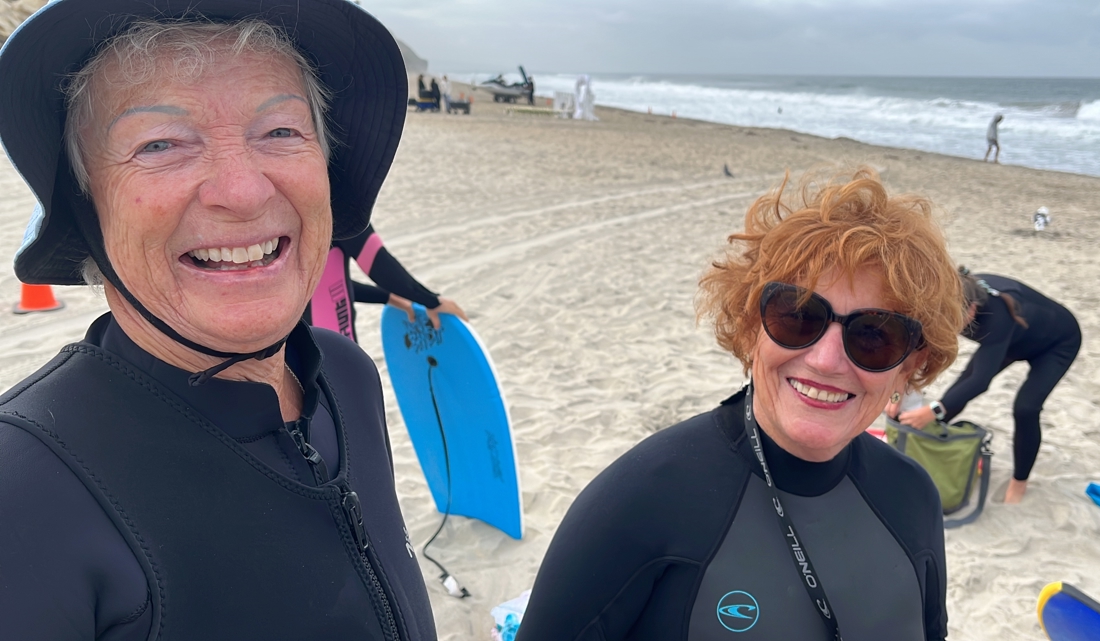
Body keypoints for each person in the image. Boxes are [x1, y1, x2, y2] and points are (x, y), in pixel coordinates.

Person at [0, 2, 438, 639]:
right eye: (161, 144)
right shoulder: (24, 486)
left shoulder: (345, 377)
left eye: (282, 132)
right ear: (84, 207)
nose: (244, 191)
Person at [516, 169, 963, 640]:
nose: (827, 361)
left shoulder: (912, 497)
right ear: (751, 326)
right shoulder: (640, 500)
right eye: (798, 316)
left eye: (874, 334)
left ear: (910, 365)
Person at [894, 269, 1081, 504]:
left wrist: (933, 410)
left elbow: (981, 382)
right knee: (960, 385)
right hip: (1013, 339)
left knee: (1025, 408)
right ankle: (934, 444)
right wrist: (897, 391)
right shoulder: (949, 300)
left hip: (1057, 343)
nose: (946, 328)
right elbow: (916, 354)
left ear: (972, 310)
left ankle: (1019, 483)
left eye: (952, 322)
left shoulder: (996, 316)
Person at [308, 221, 467, 340]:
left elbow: (321, 285)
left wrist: (389, 298)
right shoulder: (338, 201)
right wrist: (432, 301)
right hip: (333, 348)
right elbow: (375, 261)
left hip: (295, 351)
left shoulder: (290, 202)